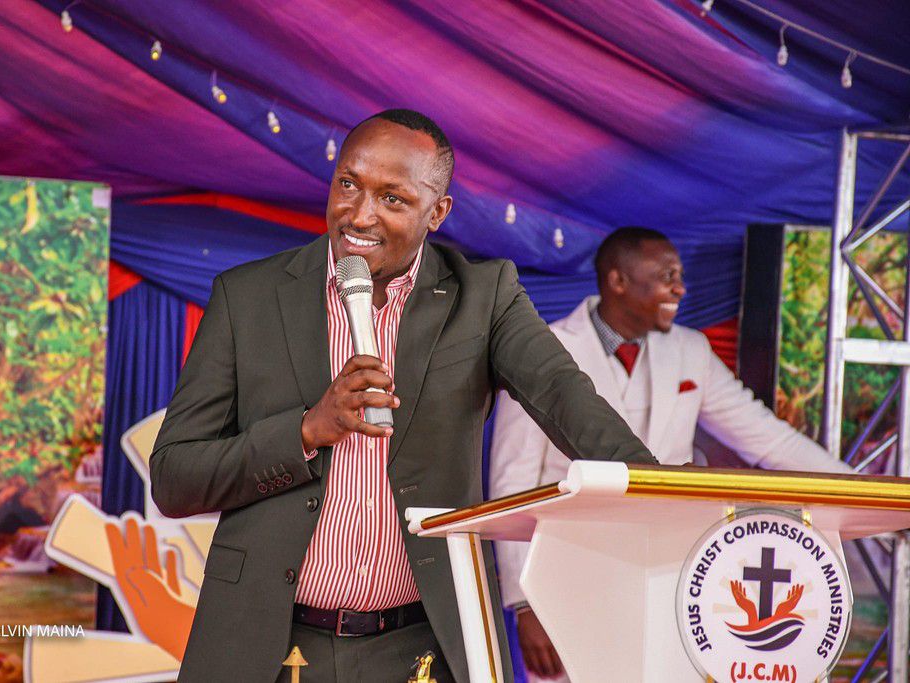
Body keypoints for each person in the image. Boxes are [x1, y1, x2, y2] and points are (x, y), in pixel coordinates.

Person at [148, 110, 657, 683]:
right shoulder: (247, 297)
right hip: (265, 641)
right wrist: (306, 431)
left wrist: (661, 490)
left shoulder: (483, 297)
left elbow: (563, 395)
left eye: (392, 198)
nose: (359, 214)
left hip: (425, 645)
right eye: (348, 184)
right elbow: (174, 477)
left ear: (437, 212)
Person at [488, 226, 854, 682]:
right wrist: (525, 603)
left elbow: (767, 438)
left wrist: (862, 489)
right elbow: (512, 482)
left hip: (674, 576)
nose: (681, 288)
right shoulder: (547, 349)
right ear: (618, 281)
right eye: (667, 276)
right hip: (570, 579)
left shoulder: (690, 350)